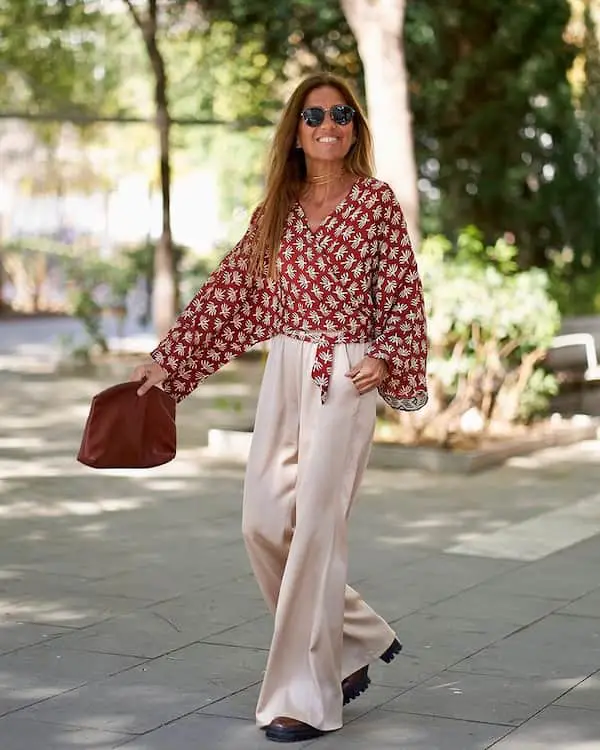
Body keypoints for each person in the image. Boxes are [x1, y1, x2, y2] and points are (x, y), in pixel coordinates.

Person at [131, 73, 428, 743]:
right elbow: (228, 292)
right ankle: (353, 643)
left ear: (355, 126)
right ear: (295, 132)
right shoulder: (278, 209)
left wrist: (388, 354)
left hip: (346, 376)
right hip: (286, 370)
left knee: (317, 538)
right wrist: (168, 359)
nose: (330, 123)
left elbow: (404, 291)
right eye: (315, 114)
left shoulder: (375, 203)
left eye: (342, 113)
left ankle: (306, 695)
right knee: (262, 522)